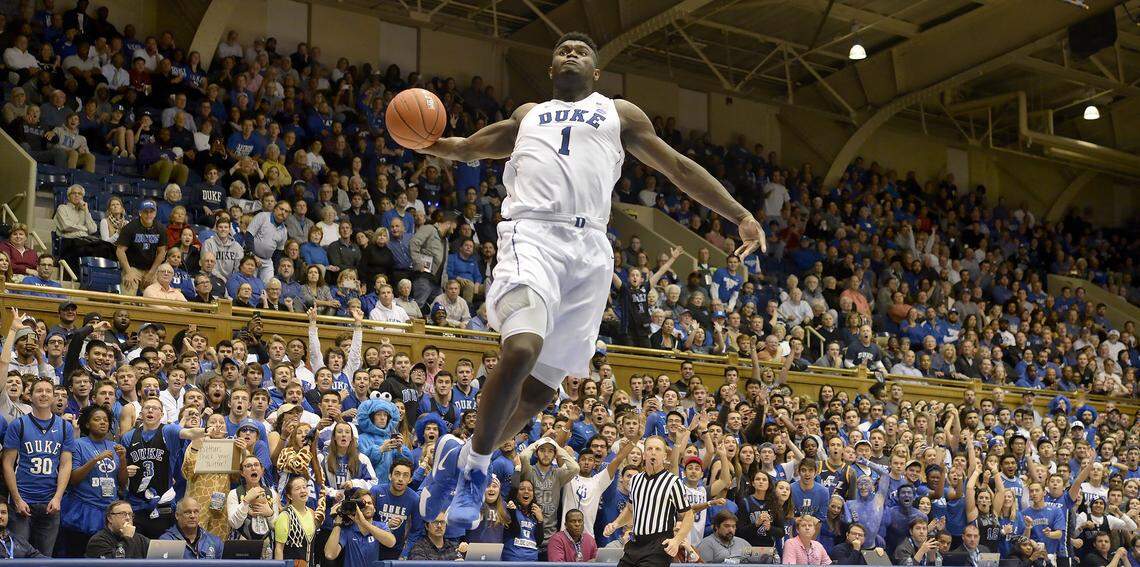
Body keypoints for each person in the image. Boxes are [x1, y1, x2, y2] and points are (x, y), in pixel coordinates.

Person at [418, 31, 765, 530]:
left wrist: (738, 215)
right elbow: (469, 147)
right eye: (561, 49)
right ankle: (473, 469)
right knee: (520, 349)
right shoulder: (527, 114)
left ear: (597, 73)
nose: (570, 52)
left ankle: (462, 452)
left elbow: (679, 168)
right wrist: (427, 140)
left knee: (538, 395)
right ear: (550, 69)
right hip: (532, 233)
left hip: (590, 252)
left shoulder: (619, 113)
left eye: (581, 50)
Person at [1, 375, 74, 556]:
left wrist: (57, 497)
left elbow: (65, 465)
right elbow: (7, 464)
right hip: (22, 501)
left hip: (50, 502)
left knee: (44, 557)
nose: (44, 394)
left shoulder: (65, 427)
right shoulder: (19, 425)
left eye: (48, 391)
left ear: (54, 396)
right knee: (17, 555)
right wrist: (17, 499)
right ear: (30, 396)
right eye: (39, 391)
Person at [603, 436, 694, 567]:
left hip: (658, 545)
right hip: (635, 543)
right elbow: (630, 509)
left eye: (658, 449)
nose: (653, 452)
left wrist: (676, 540)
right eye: (649, 449)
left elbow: (688, 515)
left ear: (664, 456)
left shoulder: (673, 482)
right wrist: (616, 524)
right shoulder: (635, 480)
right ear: (644, 455)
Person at [323, 490, 396, 567]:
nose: (367, 505)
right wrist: (338, 521)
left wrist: (363, 523)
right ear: (355, 508)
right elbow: (329, 554)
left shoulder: (381, 526)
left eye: (369, 503)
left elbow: (391, 542)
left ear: (374, 508)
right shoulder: (347, 529)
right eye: (362, 504)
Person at [116, 199, 167, 296]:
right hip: (133, 267)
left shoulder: (160, 229)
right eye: (145, 212)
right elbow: (120, 251)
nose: (149, 214)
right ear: (140, 213)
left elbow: (162, 252)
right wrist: (128, 272)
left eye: (151, 211)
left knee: (158, 298)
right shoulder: (130, 228)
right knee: (128, 295)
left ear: (155, 213)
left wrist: (151, 273)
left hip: (151, 268)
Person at [159, 496, 224, 559]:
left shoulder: (215, 541)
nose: (193, 516)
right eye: (187, 512)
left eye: (196, 512)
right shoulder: (166, 541)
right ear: (177, 515)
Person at [86, 500, 150, 558]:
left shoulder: (140, 539)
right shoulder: (98, 541)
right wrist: (128, 538)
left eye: (130, 514)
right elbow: (115, 563)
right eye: (123, 514)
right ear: (110, 518)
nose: (128, 518)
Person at [273, 476, 316, 564]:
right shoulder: (285, 516)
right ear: (289, 496)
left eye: (304, 487)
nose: (303, 490)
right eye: (297, 488)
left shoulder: (311, 512)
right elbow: (279, 549)